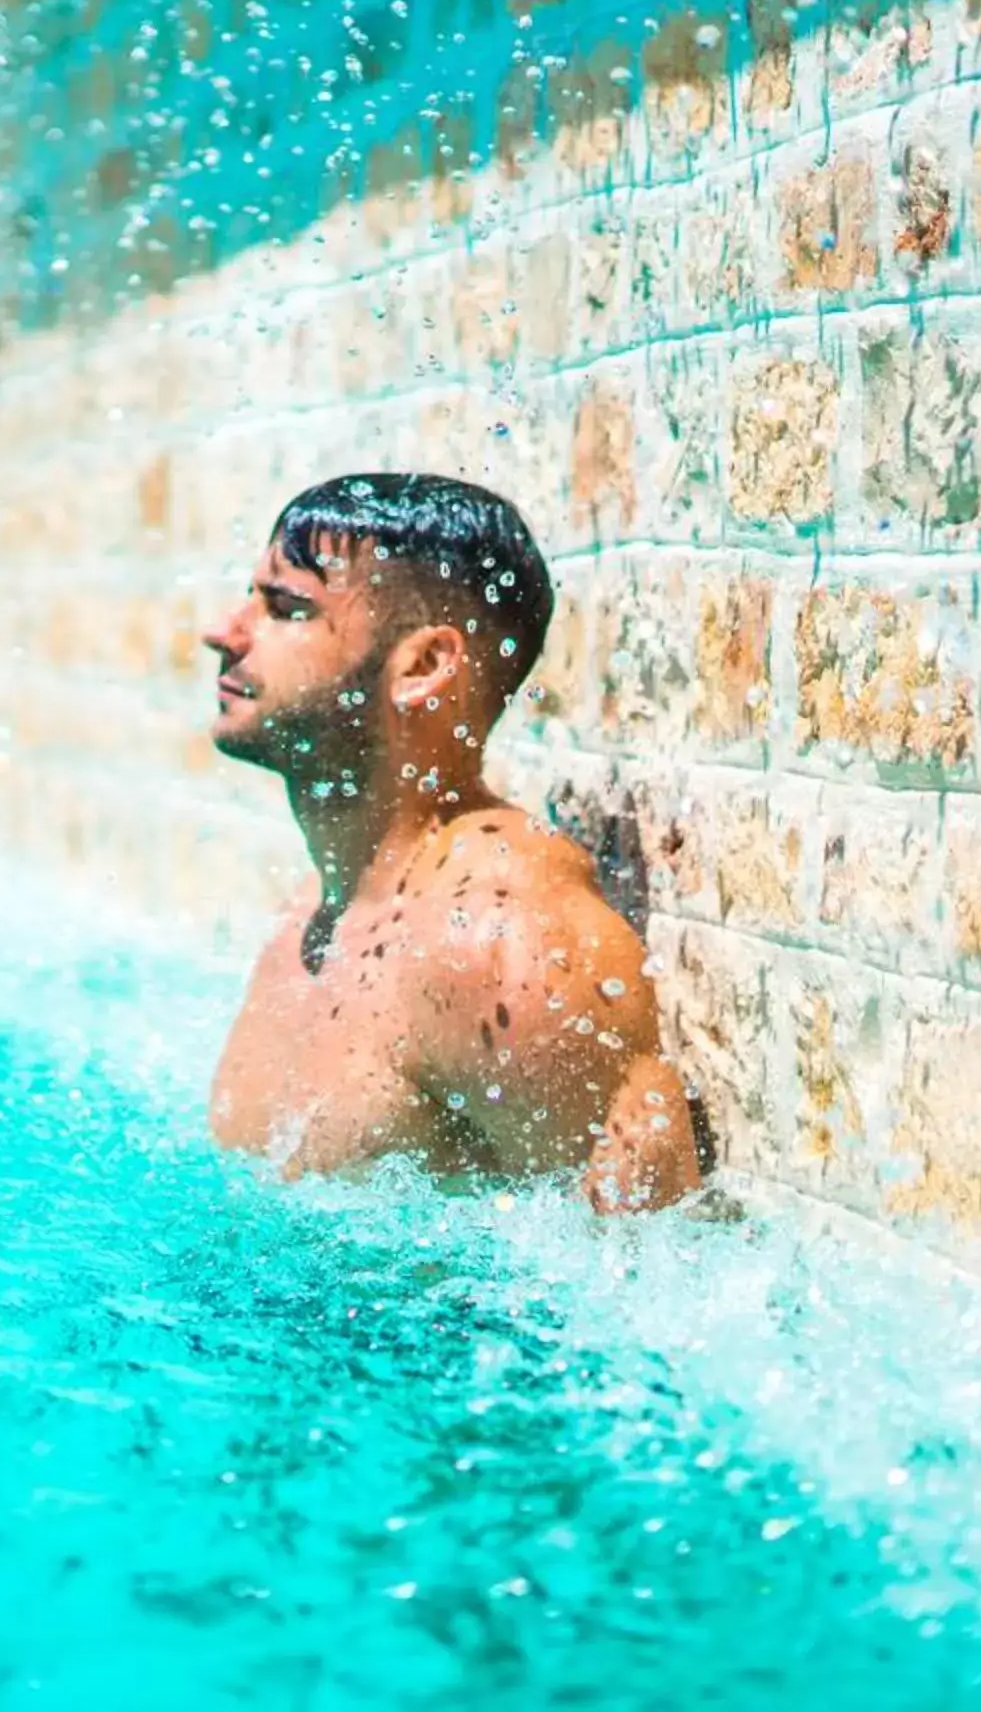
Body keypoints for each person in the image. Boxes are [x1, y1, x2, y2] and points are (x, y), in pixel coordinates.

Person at [199, 472, 703, 1213]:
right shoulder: (316, 911)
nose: (226, 632)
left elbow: (654, 1277)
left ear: (424, 667)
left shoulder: (502, 946)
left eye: (286, 607)